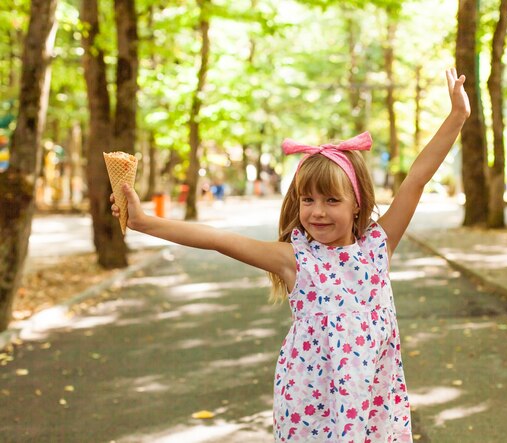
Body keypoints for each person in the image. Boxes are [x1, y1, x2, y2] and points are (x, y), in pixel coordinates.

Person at [111, 68, 470, 442]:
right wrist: (145, 222)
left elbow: (416, 179)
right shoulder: (296, 260)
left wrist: (456, 117)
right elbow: (217, 239)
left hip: (375, 404)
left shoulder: (378, 247)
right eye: (308, 199)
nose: (317, 212)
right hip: (310, 407)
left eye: (332, 200)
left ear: (357, 206)